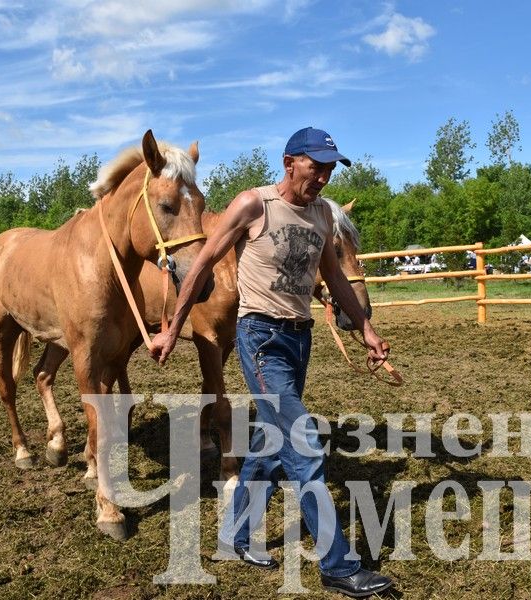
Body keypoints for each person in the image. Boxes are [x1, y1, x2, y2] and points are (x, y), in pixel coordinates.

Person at [150, 127, 393, 598]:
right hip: (260, 338)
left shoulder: (323, 214)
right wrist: (173, 327)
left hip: (299, 340)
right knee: (303, 447)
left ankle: (235, 535)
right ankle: (338, 565)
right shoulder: (253, 204)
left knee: (268, 445)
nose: (322, 177)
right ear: (289, 163)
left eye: (328, 169)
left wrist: (364, 327)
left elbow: (334, 278)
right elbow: (200, 264)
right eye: (315, 166)